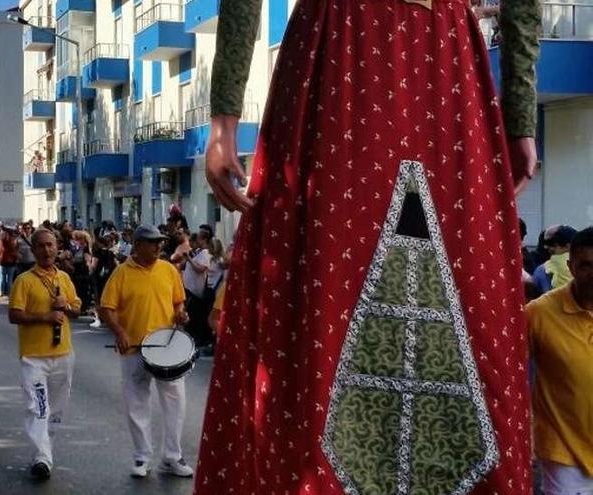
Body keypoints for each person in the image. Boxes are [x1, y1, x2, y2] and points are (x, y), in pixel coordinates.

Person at [198, 0, 542, 493]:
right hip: (354, 53)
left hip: (416, 57)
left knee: (468, 306)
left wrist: (521, 112)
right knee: (323, 305)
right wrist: (520, 112)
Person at [99, 225, 193, 479]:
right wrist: (120, 332)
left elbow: (178, 301)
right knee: (136, 403)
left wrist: (181, 313)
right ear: (138, 245)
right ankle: (142, 457)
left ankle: (172, 457)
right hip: (134, 350)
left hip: (166, 348)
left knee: (175, 403)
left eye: (160, 243)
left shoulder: (168, 269)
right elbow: (106, 309)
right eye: (153, 243)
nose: (159, 247)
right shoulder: (121, 273)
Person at [8, 229, 81, 480]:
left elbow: (77, 309)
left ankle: (44, 450)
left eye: (50, 245)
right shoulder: (24, 280)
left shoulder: (64, 278)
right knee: (38, 408)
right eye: (41, 246)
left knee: (56, 411)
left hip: (62, 355)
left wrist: (67, 307)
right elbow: (14, 315)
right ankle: (43, 458)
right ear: (34, 250)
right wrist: (45, 317)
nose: (47, 250)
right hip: (33, 358)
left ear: (57, 247)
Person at [526, 227, 593, 494]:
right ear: (570, 265)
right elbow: (508, 375)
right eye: (586, 265)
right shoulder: (538, 314)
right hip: (564, 455)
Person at [181, 229, 212, 348]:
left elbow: (200, 269)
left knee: (197, 318)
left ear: (204, 240)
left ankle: (200, 340)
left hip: (197, 293)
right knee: (192, 317)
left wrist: (189, 259)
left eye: (199, 238)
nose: (196, 240)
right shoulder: (198, 252)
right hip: (189, 290)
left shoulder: (205, 254)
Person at [532, 225, 577, 295]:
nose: (546, 247)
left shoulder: (542, 270)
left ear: (568, 246)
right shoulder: (585, 267)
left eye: (551, 244)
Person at [0, 228, 19, 299]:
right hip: (10, 261)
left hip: (3, 261)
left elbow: (0, 250)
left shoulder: (1, 241)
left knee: (2, 277)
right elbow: (14, 251)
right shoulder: (12, 242)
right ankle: (9, 293)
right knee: (9, 278)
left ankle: (1, 292)